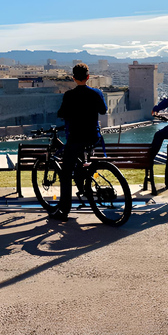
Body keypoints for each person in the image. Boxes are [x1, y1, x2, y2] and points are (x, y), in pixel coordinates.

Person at [50, 63, 107, 221]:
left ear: (73, 78)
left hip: (76, 138)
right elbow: (103, 110)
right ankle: (83, 182)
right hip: (93, 137)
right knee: (80, 162)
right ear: (88, 77)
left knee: (65, 173)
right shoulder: (97, 93)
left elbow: (61, 113)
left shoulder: (69, 95)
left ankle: (64, 210)